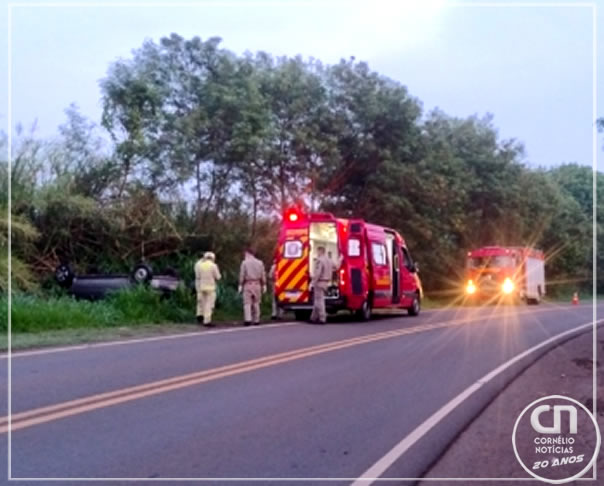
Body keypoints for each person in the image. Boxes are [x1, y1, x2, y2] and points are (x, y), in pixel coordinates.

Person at [238, 248, 267, 326]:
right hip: (257, 284)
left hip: (248, 284)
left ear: (248, 254)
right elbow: (263, 274)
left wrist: (240, 284)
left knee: (247, 303)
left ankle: (248, 319)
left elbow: (242, 274)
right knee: (256, 303)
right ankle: (257, 320)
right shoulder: (260, 263)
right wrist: (264, 284)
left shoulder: (244, 263)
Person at [194, 251, 221, 327]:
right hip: (210, 288)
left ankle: (200, 316)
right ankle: (207, 321)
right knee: (209, 305)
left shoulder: (200, 265)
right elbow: (218, 277)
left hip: (201, 286)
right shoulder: (213, 266)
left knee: (201, 302)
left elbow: (198, 276)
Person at [310, 246, 334, 324]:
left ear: (321, 251)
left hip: (319, 282)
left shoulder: (319, 260)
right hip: (326, 282)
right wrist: (341, 259)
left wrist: (312, 283)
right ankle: (313, 318)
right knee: (317, 300)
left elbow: (318, 273)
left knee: (319, 301)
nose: (317, 253)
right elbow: (336, 266)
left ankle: (322, 318)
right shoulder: (329, 260)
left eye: (318, 251)